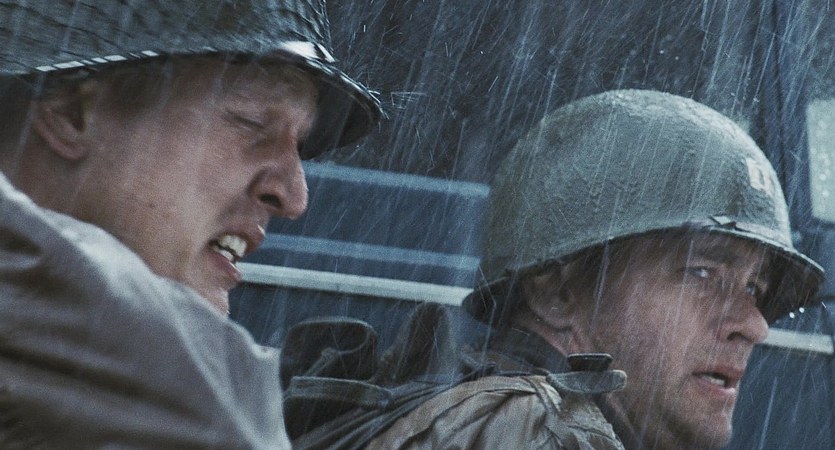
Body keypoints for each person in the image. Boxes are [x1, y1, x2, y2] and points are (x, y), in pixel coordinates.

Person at [0, 0, 380, 448]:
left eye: (300, 146)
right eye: (251, 121)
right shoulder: (174, 392)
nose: (294, 198)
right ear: (71, 113)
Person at [365, 89, 824, 449]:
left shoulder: (490, 421)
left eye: (754, 287)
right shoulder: (530, 435)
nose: (754, 326)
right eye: (702, 273)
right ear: (556, 293)